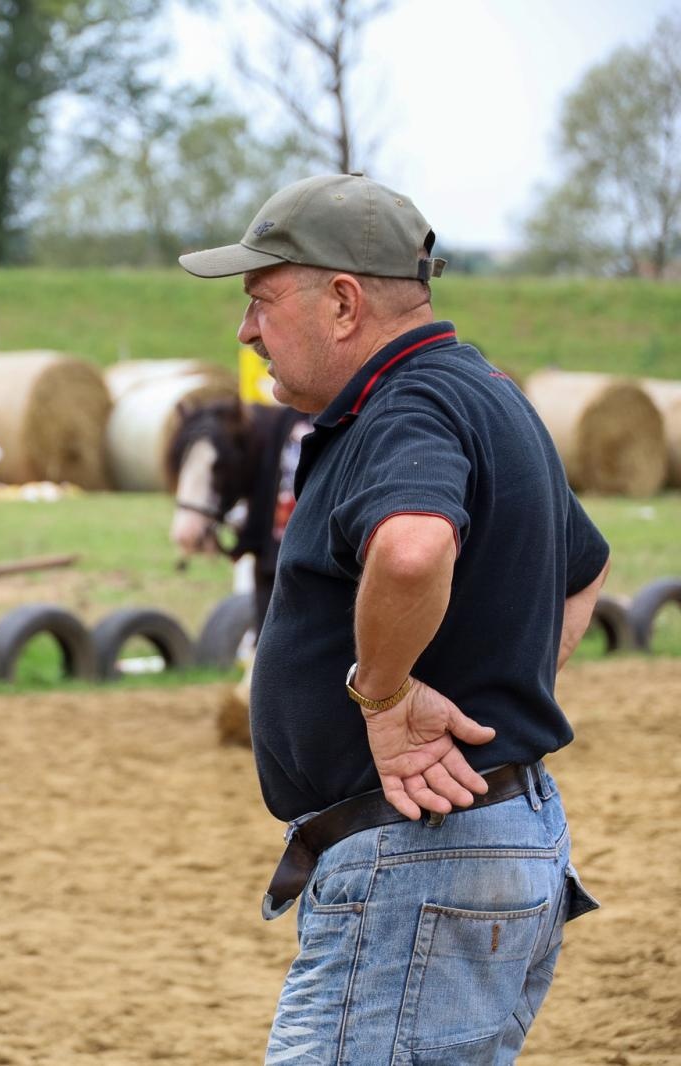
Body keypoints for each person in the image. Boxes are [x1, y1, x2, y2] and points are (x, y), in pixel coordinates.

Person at [179, 173, 609, 1062]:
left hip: (419, 857)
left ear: (342, 303)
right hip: (494, 838)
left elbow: (412, 549)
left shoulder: (404, 406)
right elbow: (584, 571)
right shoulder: (488, 394)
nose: (245, 331)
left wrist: (385, 698)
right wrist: (495, 682)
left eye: (261, 301)